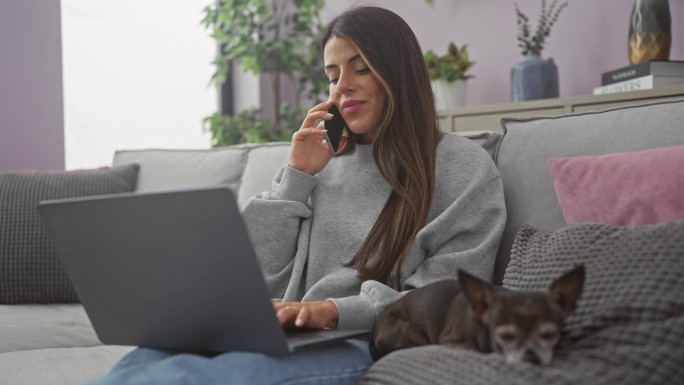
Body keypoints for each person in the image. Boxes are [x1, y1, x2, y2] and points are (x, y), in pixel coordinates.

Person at [89, 6, 506, 385]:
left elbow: (447, 297)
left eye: (360, 69)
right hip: (283, 333)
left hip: (361, 339)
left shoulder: (462, 167)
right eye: (331, 76)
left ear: (398, 73)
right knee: (148, 360)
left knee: (214, 376)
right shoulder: (318, 163)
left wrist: (334, 311)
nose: (341, 87)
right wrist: (296, 177)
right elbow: (257, 278)